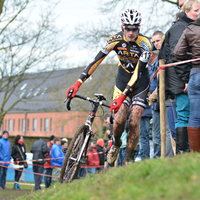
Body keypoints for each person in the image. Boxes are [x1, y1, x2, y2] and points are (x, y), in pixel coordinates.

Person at [66, 8, 152, 166]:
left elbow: (138, 73)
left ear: (139, 27)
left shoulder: (146, 44)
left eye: (134, 28)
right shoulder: (114, 40)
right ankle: (117, 143)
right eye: (128, 28)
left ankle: (128, 159)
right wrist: (78, 83)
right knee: (119, 121)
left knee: (134, 121)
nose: (131, 32)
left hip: (140, 82)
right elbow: (96, 61)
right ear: (122, 27)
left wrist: (123, 96)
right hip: (122, 78)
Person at [158, 0, 200, 154]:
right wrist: (186, 80)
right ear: (187, 11)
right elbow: (177, 57)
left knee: (188, 114)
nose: (198, 14)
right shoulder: (180, 28)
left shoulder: (188, 26)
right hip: (180, 78)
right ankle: (183, 152)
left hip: (182, 76)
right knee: (183, 114)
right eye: (196, 10)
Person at [174, 16, 200, 152]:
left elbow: (177, 53)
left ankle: (196, 157)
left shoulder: (190, 28)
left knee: (194, 116)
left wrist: (192, 56)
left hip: (195, 74)